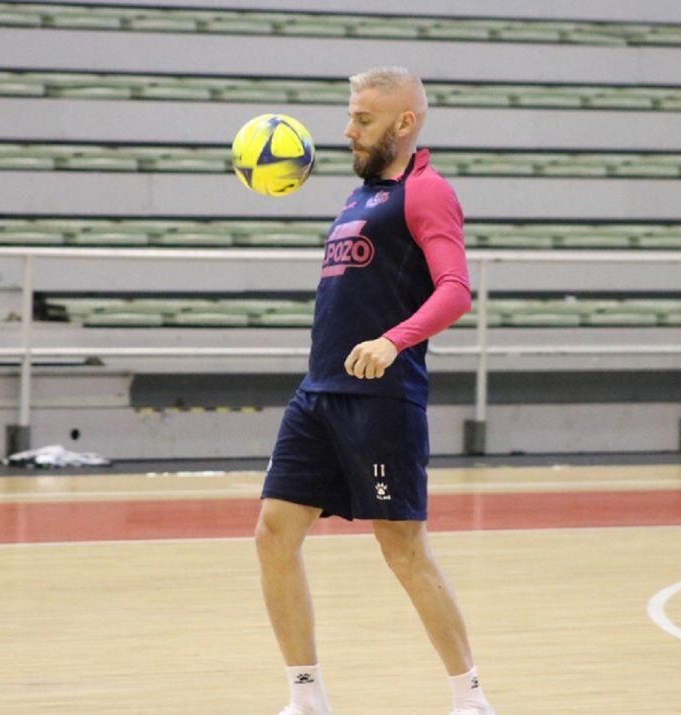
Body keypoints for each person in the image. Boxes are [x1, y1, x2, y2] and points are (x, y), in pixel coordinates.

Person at [254, 67, 496, 715]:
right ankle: (306, 697)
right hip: (319, 394)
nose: (348, 130)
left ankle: (469, 697)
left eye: (363, 119)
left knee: (403, 548)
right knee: (273, 534)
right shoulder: (356, 198)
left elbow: (455, 290)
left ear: (404, 124)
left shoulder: (427, 192)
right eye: (350, 115)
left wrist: (394, 339)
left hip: (383, 399)